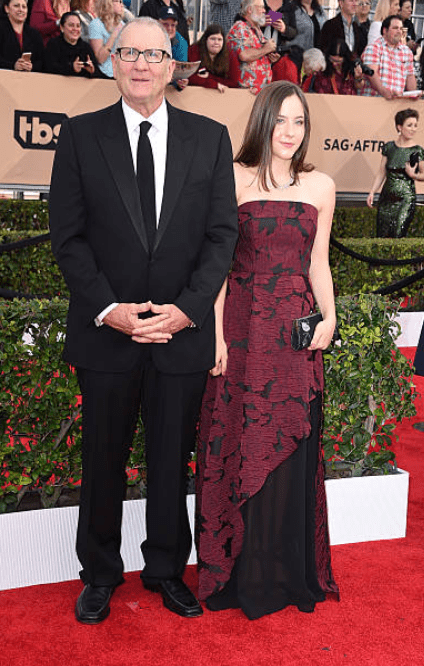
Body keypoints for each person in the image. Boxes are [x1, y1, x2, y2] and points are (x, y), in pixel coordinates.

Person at [49, 16, 238, 625]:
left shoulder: (209, 138)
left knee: (169, 461)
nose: (140, 64)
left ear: (172, 66)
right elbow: (69, 239)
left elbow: (221, 237)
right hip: (107, 333)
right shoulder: (80, 137)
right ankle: (100, 573)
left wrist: (186, 311)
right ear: (113, 61)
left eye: (154, 55)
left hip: (181, 335)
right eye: (128, 51)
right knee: (102, 459)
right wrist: (111, 310)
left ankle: (164, 571)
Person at [196, 81, 339, 620]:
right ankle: (237, 571)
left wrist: (330, 315)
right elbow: (219, 270)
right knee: (239, 439)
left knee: (291, 444)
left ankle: (284, 571)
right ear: (262, 122)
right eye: (280, 120)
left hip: (294, 335)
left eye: (299, 121)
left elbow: (316, 262)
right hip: (243, 329)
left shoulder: (321, 185)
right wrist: (213, 335)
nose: (289, 131)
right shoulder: (233, 180)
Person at [367, 108, 424, 237]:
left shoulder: (417, 151)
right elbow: (382, 173)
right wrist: (372, 191)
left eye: (415, 125)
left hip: (406, 199)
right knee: (382, 235)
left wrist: (413, 175)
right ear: (399, 127)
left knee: (398, 233)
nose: (413, 129)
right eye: (409, 125)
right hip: (386, 198)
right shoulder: (389, 147)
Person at [359, 14, 416, 98]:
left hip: (396, 103)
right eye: (395, 28)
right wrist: (385, 92)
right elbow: (372, 75)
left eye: (401, 29)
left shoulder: (407, 52)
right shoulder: (373, 48)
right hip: (373, 101)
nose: (399, 31)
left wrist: (413, 94)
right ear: (385, 31)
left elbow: (410, 76)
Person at [227, 0, 277, 92]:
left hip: (260, 90)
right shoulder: (240, 27)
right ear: (250, 9)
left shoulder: (257, 29)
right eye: (261, 7)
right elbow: (244, 55)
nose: (264, 11)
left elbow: (257, 54)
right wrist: (265, 49)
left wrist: (270, 57)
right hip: (246, 90)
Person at [44, 11, 100, 75]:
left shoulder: (86, 48)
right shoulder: (53, 45)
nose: (75, 29)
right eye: (71, 25)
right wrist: (71, 68)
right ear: (62, 28)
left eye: (78, 26)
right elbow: (48, 68)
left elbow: (97, 73)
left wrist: (92, 71)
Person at [188, 23, 239, 91]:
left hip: (222, 94)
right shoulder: (194, 50)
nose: (216, 42)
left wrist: (209, 77)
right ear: (205, 40)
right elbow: (189, 77)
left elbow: (234, 82)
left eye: (219, 39)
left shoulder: (230, 54)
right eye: (213, 39)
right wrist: (213, 84)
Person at [0, 0, 43, 70]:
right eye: (16, 6)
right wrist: (13, 65)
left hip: (29, 78)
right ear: (7, 9)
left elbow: (41, 60)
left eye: (24, 7)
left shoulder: (35, 34)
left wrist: (32, 66)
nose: (21, 10)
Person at [287, 0, 327, 71]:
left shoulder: (320, 11)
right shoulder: (290, 8)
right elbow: (274, 16)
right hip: (296, 60)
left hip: (317, 62)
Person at [89, 0, 124, 77]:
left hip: (121, 74)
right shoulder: (96, 24)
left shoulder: (122, 25)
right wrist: (114, 35)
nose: (122, 5)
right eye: (118, 1)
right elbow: (100, 59)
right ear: (109, 3)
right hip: (104, 74)